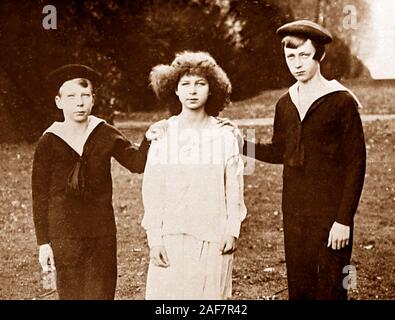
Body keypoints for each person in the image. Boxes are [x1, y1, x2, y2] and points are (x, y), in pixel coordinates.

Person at [241, 20, 366, 299]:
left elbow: (356, 164)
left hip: (331, 213)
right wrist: (241, 146)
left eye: (304, 56)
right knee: (300, 288)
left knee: (334, 287)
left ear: (319, 55)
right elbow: (279, 151)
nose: (297, 64)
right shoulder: (285, 103)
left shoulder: (341, 101)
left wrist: (343, 219)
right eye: (290, 57)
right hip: (295, 212)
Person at [31, 64, 161, 300]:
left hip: (100, 232)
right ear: (59, 102)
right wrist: (44, 243)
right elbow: (39, 195)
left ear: (93, 100)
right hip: (64, 234)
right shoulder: (49, 141)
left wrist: (149, 139)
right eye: (71, 97)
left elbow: (136, 163)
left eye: (85, 96)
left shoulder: (104, 132)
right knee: (72, 294)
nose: (79, 102)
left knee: (101, 293)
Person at [141, 51, 247, 299]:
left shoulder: (223, 135)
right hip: (172, 235)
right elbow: (152, 190)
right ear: (175, 90)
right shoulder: (164, 134)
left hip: (212, 235)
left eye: (200, 84)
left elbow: (234, 187)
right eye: (185, 84)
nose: (192, 90)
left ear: (212, 89)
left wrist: (232, 230)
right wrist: (154, 238)